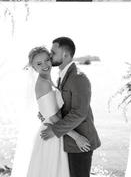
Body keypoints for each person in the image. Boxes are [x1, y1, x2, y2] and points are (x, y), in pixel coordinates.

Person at [11, 46, 91, 177]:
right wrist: (77, 137)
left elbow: (48, 109)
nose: (45, 65)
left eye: (47, 60)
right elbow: (53, 118)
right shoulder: (43, 83)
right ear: (33, 67)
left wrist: (44, 115)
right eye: (39, 63)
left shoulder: (49, 79)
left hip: (56, 131)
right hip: (52, 135)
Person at [41, 37, 101, 177]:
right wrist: (47, 113)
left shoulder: (78, 77)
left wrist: (54, 130)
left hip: (81, 142)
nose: (50, 55)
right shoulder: (62, 76)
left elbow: (79, 113)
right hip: (70, 139)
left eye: (53, 52)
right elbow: (63, 106)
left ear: (65, 55)